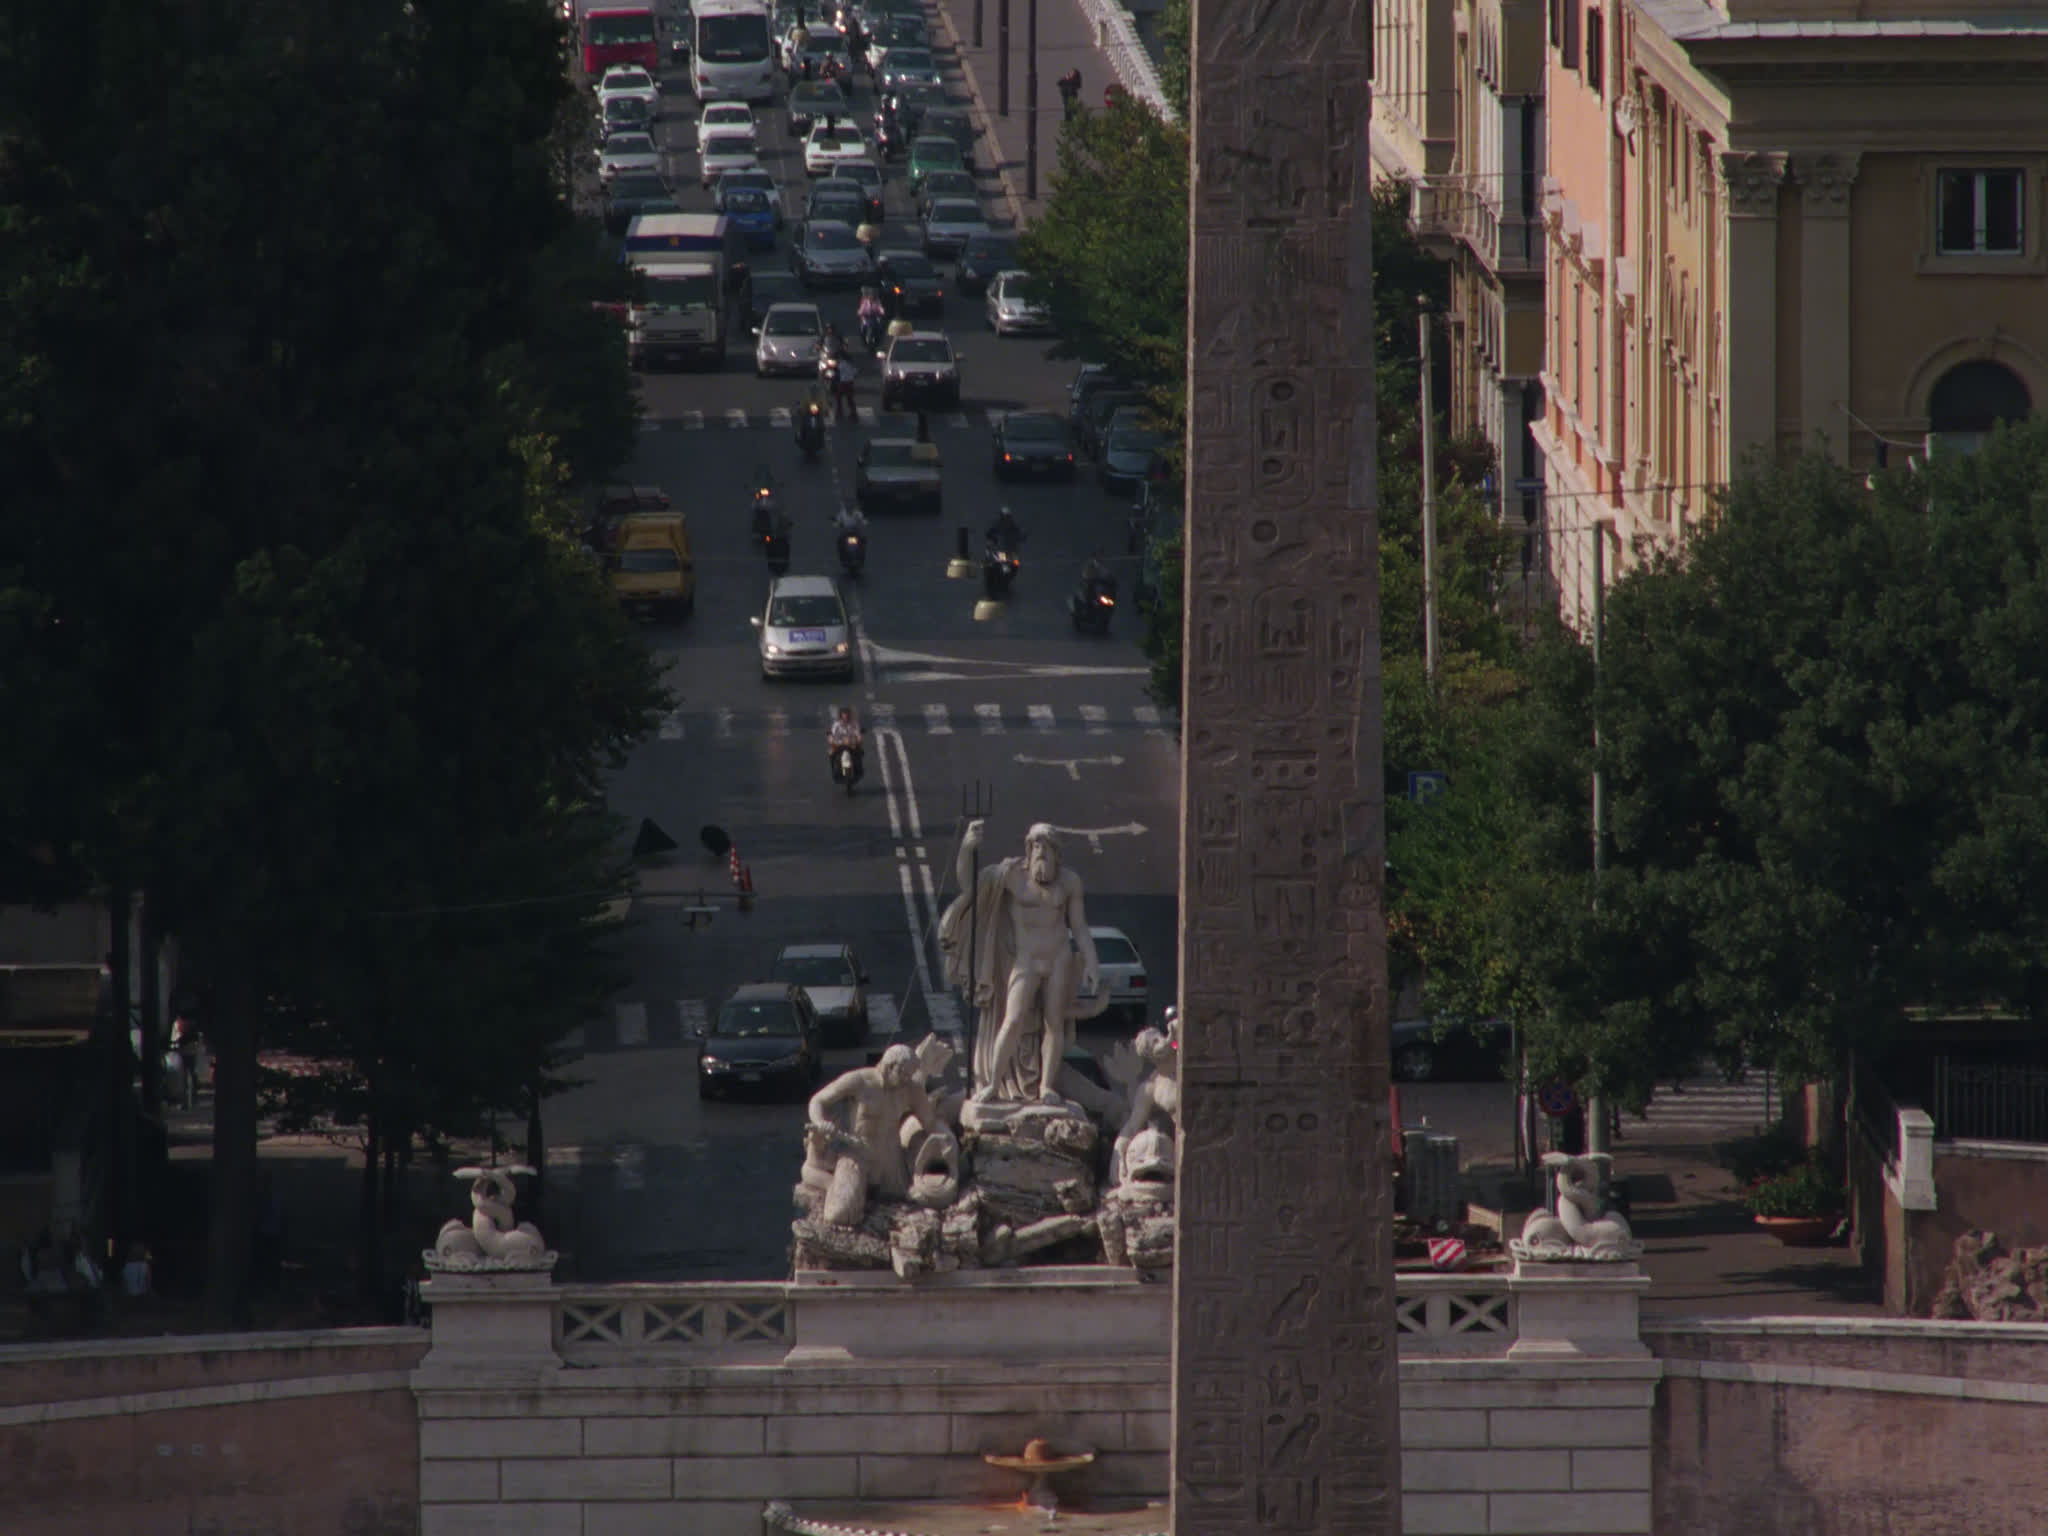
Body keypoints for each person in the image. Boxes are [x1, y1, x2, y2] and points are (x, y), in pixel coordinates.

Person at [939, 821, 1100, 1105]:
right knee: (1011, 1020)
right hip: (1025, 960)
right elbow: (969, 885)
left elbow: (1080, 927)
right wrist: (966, 848)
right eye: (1036, 848)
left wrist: (1091, 962)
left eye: (1047, 849)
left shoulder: (1069, 882)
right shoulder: (1011, 876)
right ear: (1028, 850)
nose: (1041, 854)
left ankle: (1046, 1087)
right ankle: (992, 1084)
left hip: (1058, 958)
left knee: (1054, 1024)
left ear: (1057, 854)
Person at [827, 705, 864, 778]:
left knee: (860, 752)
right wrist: (831, 739)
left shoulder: (854, 724)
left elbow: (858, 734)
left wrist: (859, 738)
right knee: (831, 754)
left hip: (851, 744)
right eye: (844, 716)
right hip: (839, 744)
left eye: (847, 716)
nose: (845, 718)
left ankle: (859, 770)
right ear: (841, 716)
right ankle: (834, 770)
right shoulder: (836, 725)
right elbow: (832, 733)